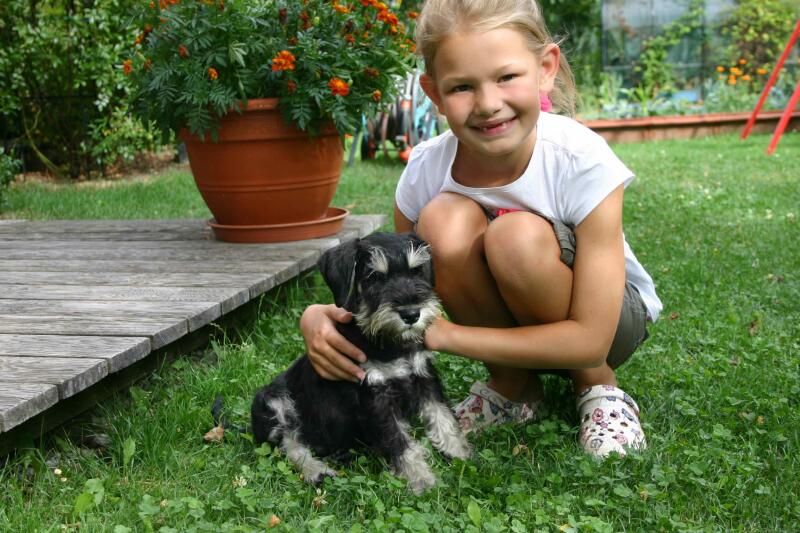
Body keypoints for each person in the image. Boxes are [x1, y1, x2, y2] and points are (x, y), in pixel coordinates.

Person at [300, 0, 662, 458]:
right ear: (433, 93)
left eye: (507, 77)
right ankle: (511, 387)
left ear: (545, 69)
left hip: (608, 328)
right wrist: (318, 318)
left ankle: (599, 390)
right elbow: (400, 293)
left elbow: (591, 336)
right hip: (508, 313)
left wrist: (447, 336)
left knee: (515, 238)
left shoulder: (580, 160)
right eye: (462, 87)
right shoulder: (426, 170)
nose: (489, 105)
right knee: (440, 224)